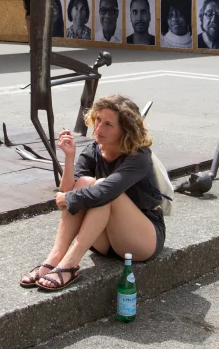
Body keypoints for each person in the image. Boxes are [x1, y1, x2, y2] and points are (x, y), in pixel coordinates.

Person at [20, 95, 165, 291]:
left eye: (108, 124)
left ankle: (70, 264)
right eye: (98, 119)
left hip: (140, 241)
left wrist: (69, 197)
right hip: (104, 242)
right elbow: (68, 192)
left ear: (125, 130)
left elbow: (101, 192)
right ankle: (54, 258)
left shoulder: (138, 156)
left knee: (103, 188)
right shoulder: (94, 150)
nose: (98, 128)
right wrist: (69, 158)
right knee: (85, 183)